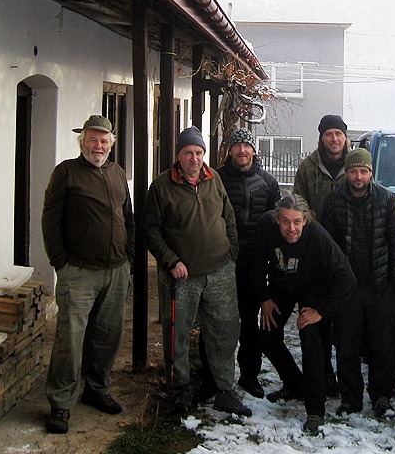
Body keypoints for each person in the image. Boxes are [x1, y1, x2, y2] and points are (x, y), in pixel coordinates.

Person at [143, 126, 250, 417]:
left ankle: (224, 389)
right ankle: (180, 389)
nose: (194, 158)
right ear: (179, 155)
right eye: (189, 152)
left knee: (225, 330)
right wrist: (170, 261)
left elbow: (228, 216)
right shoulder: (162, 186)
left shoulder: (214, 179)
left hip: (219, 271)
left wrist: (231, 252)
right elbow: (150, 230)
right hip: (182, 275)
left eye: (199, 153)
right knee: (176, 332)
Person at [42, 115, 134, 434]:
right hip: (78, 271)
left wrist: (129, 258)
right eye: (92, 140)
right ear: (82, 142)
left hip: (116, 268)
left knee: (107, 335)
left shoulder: (117, 173)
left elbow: (128, 217)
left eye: (104, 140)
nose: (98, 146)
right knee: (70, 338)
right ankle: (61, 404)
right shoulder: (66, 172)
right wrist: (60, 263)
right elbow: (50, 220)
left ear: (111, 143)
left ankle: (96, 389)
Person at [251, 194, 356, 434]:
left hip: (313, 287)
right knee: (267, 334)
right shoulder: (265, 227)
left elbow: (346, 277)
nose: (291, 228)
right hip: (280, 285)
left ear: (305, 220)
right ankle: (294, 384)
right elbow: (255, 263)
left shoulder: (317, 235)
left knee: (311, 341)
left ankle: (315, 410)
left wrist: (321, 311)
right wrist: (264, 298)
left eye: (297, 222)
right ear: (277, 219)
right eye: (286, 221)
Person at [320, 148, 395, 418]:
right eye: (354, 170)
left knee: (383, 345)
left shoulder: (387, 199)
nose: (358, 176)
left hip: (378, 285)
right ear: (347, 172)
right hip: (347, 287)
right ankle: (351, 397)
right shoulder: (333, 201)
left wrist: (394, 282)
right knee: (346, 344)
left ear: (371, 173)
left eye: (364, 171)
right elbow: (328, 246)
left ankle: (382, 397)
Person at [199, 128, 281, 400]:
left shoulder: (268, 183)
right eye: (237, 146)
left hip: (254, 262)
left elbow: (274, 224)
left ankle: (249, 375)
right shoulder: (215, 179)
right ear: (229, 151)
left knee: (249, 320)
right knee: (216, 320)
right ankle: (210, 377)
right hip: (222, 259)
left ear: (254, 150)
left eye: (247, 146)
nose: (242, 151)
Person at [293, 113, 349, 394]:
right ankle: (323, 374)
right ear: (322, 137)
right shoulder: (308, 167)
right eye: (329, 134)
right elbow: (298, 204)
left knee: (343, 320)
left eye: (338, 133)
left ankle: (346, 377)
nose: (334, 139)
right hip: (314, 253)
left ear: (345, 137)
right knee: (315, 320)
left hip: (348, 254)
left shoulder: (355, 164)